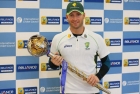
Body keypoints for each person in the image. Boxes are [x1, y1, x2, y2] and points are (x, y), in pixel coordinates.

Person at [49, 1, 110, 94]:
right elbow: (52, 65)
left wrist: (98, 76)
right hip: (68, 91)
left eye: (78, 14)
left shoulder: (96, 38)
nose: (75, 18)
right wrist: (54, 63)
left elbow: (107, 62)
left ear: (84, 15)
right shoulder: (58, 38)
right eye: (71, 15)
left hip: (91, 91)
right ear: (67, 17)